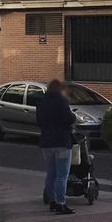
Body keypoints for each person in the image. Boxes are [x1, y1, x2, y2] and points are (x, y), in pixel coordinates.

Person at [36, 79, 77, 215]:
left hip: (46, 142)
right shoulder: (62, 102)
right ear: (60, 89)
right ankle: (61, 203)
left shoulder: (41, 102)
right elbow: (69, 119)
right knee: (62, 175)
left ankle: (52, 201)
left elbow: (39, 122)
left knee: (51, 174)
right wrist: (73, 116)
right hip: (62, 142)